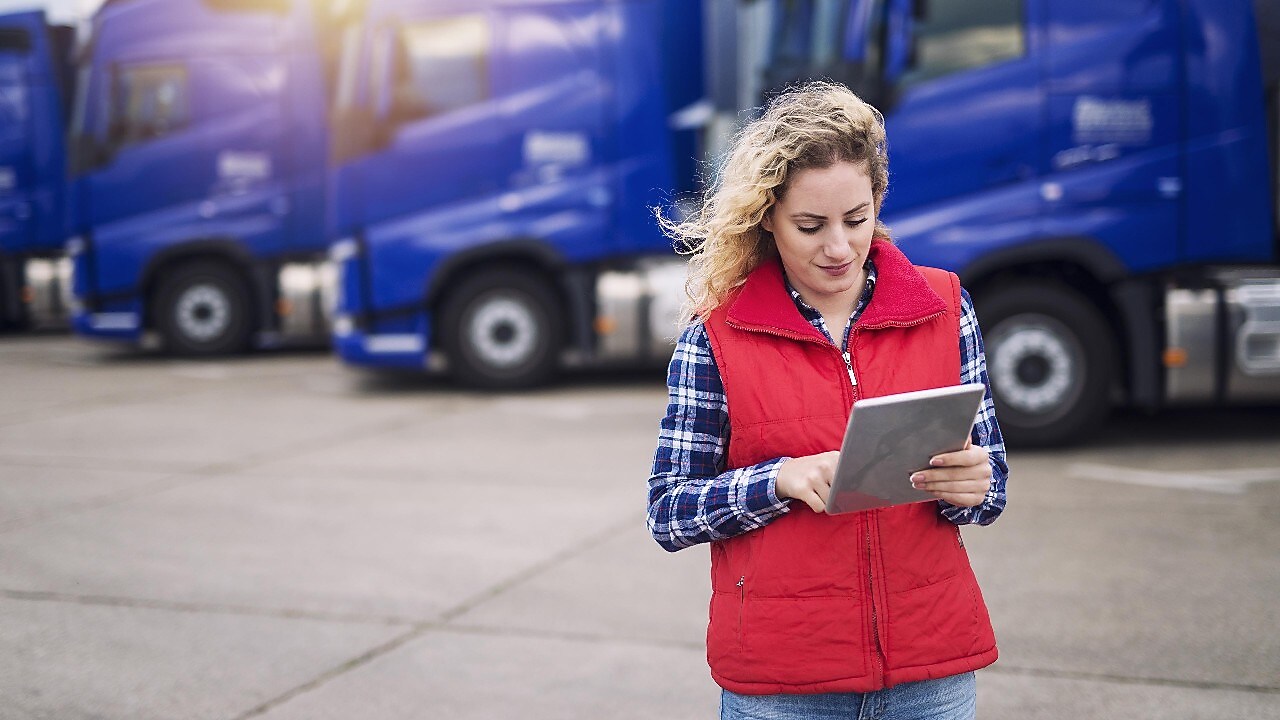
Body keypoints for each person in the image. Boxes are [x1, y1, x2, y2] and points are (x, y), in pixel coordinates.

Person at [647, 81, 1009, 720]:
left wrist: (974, 485)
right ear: (767, 216)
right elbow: (670, 512)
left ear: (878, 202)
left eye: (857, 219)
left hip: (930, 670)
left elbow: (991, 485)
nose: (838, 247)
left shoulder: (946, 306)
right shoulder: (717, 336)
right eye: (810, 226)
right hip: (784, 685)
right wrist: (778, 480)